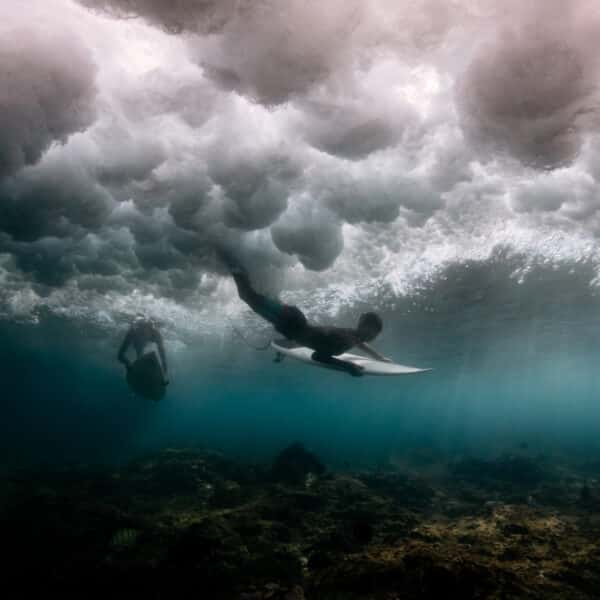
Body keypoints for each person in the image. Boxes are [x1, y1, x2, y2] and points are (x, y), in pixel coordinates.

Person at [228, 266, 390, 376]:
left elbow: (361, 344)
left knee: (255, 294)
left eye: (376, 332)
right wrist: (348, 366)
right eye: (375, 331)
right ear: (366, 328)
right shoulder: (346, 341)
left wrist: (379, 357)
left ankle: (244, 264)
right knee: (247, 295)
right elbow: (318, 356)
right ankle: (233, 263)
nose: (375, 335)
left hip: (293, 319)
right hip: (288, 322)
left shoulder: (353, 337)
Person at [118, 315, 169, 385]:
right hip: (136, 339)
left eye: (144, 331)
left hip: (147, 336)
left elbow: (163, 358)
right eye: (141, 330)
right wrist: (128, 364)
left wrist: (164, 376)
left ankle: (142, 367)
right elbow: (120, 355)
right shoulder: (132, 331)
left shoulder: (156, 334)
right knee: (139, 350)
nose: (142, 334)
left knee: (141, 350)